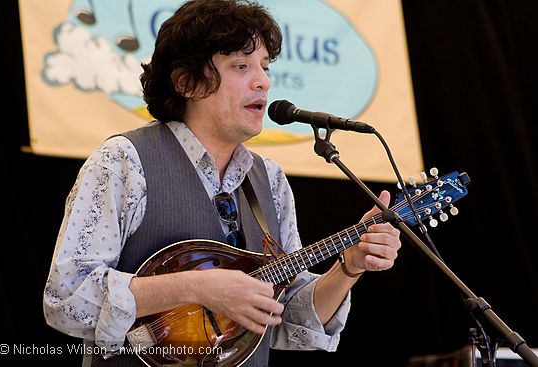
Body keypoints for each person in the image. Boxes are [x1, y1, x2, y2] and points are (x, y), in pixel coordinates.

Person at [43, 1, 402, 366]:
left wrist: (349, 267)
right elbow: (66, 299)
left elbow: (288, 320)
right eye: (241, 66)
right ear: (186, 82)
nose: (263, 80)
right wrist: (198, 286)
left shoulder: (271, 180)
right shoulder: (124, 160)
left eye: (264, 66)